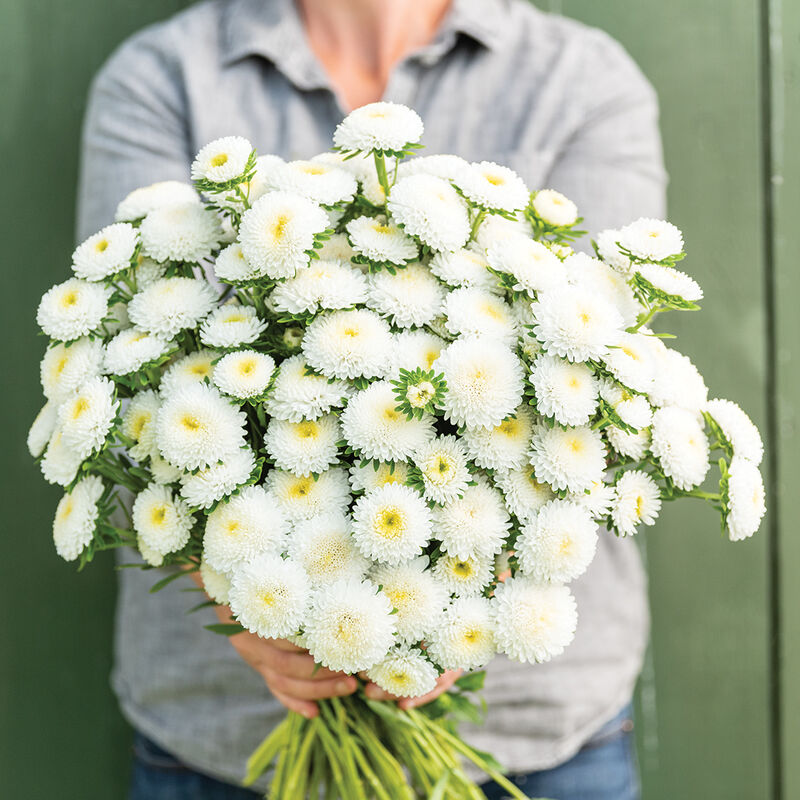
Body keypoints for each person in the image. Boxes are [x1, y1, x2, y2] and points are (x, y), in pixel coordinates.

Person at [77, 1, 664, 798]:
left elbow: (598, 377)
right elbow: (132, 374)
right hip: (221, 736)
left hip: (536, 740)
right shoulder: (164, 77)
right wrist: (246, 604)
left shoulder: (581, 78)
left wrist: (453, 604)